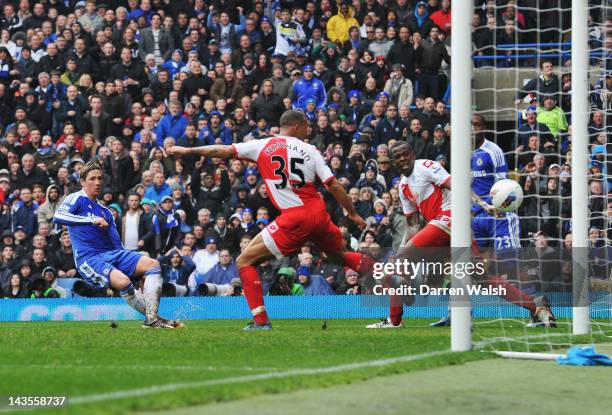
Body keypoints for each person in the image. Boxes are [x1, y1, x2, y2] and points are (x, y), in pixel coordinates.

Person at [169, 110, 370, 330]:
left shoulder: (262, 145)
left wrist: (189, 150)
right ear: (296, 126)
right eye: (306, 127)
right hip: (319, 214)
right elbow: (333, 185)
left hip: (295, 217)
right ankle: (390, 278)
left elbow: (224, 150)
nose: (308, 130)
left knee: (244, 262)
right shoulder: (310, 150)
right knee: (340, 256)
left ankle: (261, 322)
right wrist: (352, 213)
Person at [53, 160, 183, 329]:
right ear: (82, 181)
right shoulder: (76, 198)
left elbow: (117, 245)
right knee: (123, 282)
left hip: (112, 253)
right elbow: (58, 216)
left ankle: (152, 319)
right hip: (88, 258)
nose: (98, 182)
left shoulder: (105, 211)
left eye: (100, 178)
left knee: (153, 265)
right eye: (92, 178)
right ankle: (153, 319)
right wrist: (90, 220)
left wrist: (136, 271)